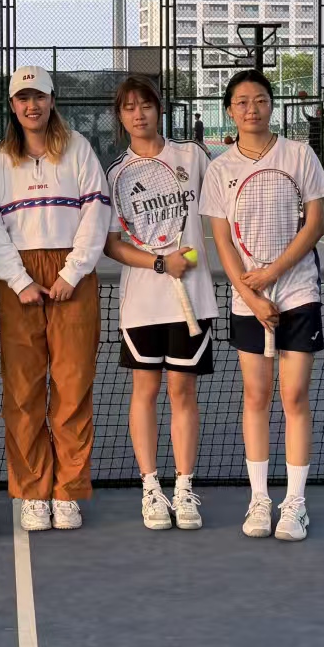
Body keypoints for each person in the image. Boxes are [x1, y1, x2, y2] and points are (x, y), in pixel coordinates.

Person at [200, 68, 324, 542]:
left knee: (294, 397)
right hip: (249, 301)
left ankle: (295, 503)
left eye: (259, 99)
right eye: (241, 102)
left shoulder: (299, 154)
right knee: (256, 397)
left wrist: (273, 273)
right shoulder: (220, 170)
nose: (251, 108)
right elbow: (222, 241)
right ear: (229, 111)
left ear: (271, 105)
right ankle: (260, 499)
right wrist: (252, 296)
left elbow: (315, 224)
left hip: (298, 292)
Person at [0, 64, 111, 532]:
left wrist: (72, 273)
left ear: (52, 100)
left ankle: (68, 491)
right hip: (20, 280)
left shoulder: (78, 148)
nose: (32, 105)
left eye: (39, 96)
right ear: (13, 106)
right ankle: (34, 491)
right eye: (23, 98)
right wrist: (19, 280)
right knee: (23, 391)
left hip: (71, 278)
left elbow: (96, 213)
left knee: (73, 386)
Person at [103, 75, 217, 530]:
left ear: (159, 108)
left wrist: (190, 258)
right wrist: (158, 262)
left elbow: (221, 215)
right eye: (129, 107)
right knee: (146, 392)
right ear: (121, 116)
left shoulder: (192, 157)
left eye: (146, 105)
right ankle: (151, 488)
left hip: (194, 300)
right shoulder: (115, 174)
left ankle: (184, 488)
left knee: (182, 392)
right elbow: (112, 244)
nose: (139, 114)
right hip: (142, 304)